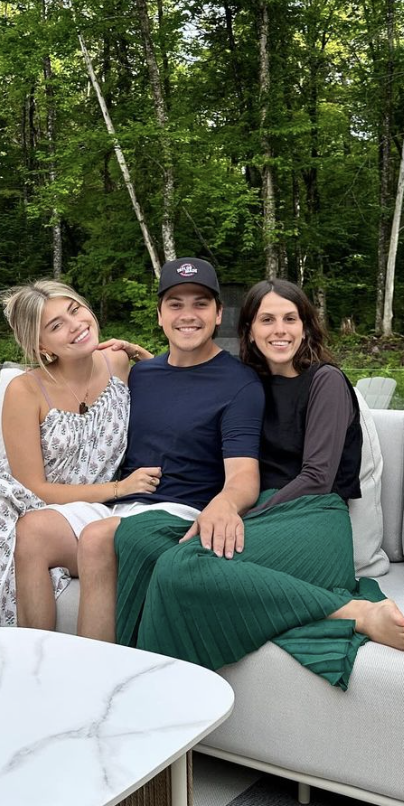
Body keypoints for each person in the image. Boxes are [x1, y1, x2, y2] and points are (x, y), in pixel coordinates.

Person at [121, 278, 404, 690]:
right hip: (259, 515)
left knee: (181, 567)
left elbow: (317, 477)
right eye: (267, 320)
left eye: (290, 318)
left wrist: (235, 512)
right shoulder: (245, 383)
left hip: (313, 518)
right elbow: (194, 389)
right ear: (249, 328)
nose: (280, 330)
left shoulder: (325, 381)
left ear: (306, 325)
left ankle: (350, 610)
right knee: (136, 539)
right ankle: (121, 677)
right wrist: (153, 365)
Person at [0, 279, 160, 637]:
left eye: (75, 310)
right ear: (41, 344)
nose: (75, 326)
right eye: (56, 326)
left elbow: (167, 398)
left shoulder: (116, 361)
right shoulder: (25, 389)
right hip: (0, 498)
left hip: (75, 505)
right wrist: (118, 488)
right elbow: (34, 486)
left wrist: (143, 356)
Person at [45, 257, 266, 642]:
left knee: (98, 538)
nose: (188, 315)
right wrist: (131, 352)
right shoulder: (142, 374)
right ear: (160, 315)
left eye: (200, 303)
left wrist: (225, 504)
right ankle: (33, 661)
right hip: (123, 504)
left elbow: (244, 477)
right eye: (175, 304)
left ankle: (91, 678)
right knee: (33, 528)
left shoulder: (240, 384)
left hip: (181, 512)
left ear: (218, 314)